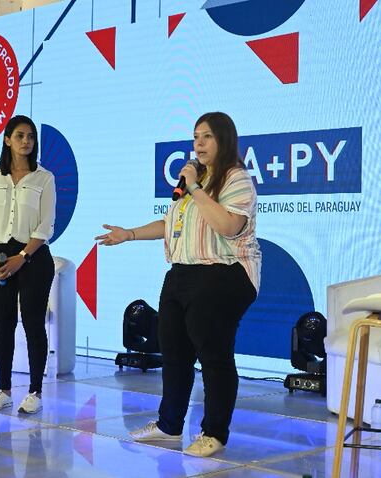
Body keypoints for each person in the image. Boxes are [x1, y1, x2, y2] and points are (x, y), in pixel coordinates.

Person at [95, 112, 261, 457]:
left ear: (224, 140)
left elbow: (228, 226)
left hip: (226, 272)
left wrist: (197, 188)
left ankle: (214, 432)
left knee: (213, 353)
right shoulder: (192, 182)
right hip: (182, 272)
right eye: (196, 136)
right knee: (172, 349)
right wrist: (129, 234)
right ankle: (169, 426)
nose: (198, 144)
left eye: (207, 137)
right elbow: (171, 223)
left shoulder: (236, 178)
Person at [0, 115, 56, 414]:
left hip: (33, 258)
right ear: (7, 139)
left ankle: (35, 391)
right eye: (20, 135)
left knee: (34, 324)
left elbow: (46, 226)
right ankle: (4, 390)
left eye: (31, 137)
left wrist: (21, 258)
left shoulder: (44, 178)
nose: (26, 141)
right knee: (3, 325)